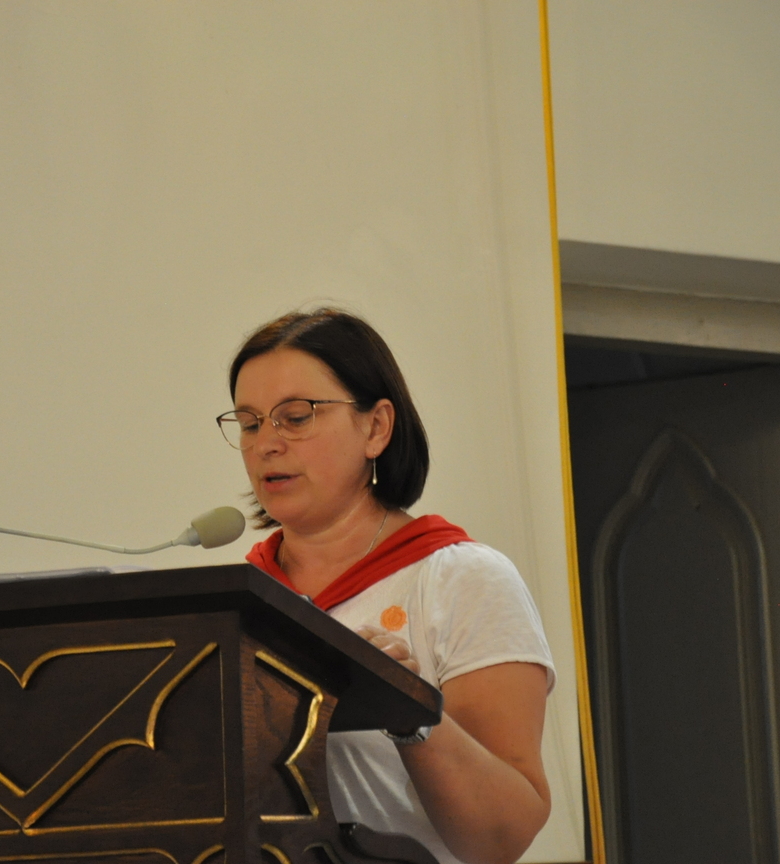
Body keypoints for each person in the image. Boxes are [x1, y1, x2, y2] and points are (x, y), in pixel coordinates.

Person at [216, 309, 554, 864]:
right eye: (250, 424)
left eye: (295, 417)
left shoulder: (460, 580)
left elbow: (500, 839)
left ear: (375, 427)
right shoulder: (235, 604)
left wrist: (406, 709)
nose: (266, 444)